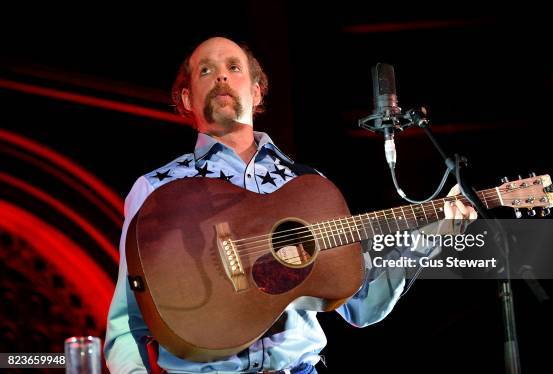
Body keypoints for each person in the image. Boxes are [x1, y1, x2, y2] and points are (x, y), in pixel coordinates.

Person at [104, 36, 477, 374]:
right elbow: (127, 325)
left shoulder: (308, 187)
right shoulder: (157, 190)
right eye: (206, 70)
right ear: (187, 98)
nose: (221, 77)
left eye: (233, 68)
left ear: (257, 91)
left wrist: (436, 232)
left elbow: (362, 307)